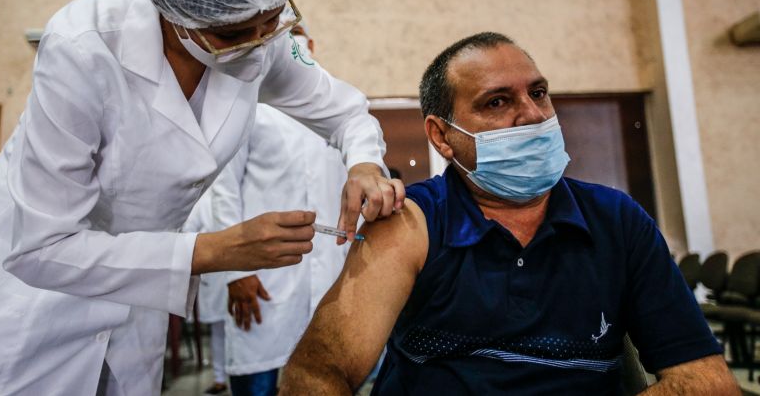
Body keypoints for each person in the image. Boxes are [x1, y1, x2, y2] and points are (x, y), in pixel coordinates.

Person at [0, 0, 404, 396]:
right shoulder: (82, 50)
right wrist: (213, 250)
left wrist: (364, 163)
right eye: (236, 33)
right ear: (174, 13)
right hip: (25, 302)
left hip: (137, 298)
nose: (260, 43)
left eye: (273, 20)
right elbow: (42, 249)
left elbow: (345, 110)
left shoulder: (260, 37)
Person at [280, 32, 740, 395]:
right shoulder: (415, 222)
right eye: (497, 102)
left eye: (539, 93)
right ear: (441, 137)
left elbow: (706, 383)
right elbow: (318, 374)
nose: (532, 114)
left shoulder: (617, 221)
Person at [203, 24, 353, 396]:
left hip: (328, 274)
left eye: (300, 41)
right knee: (261, 377)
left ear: (313, 46)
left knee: (324, 375)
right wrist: (236, 271)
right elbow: (224, 192)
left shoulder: (333, 115)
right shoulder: (246, 108)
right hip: (262, 276)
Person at [182, 190, 231, 395]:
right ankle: (220, 377)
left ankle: (243, 374)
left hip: (243, 270)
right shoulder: (203, 199)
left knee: (245, 328)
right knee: (219, 329)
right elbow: (188, 233)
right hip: (216, 273)